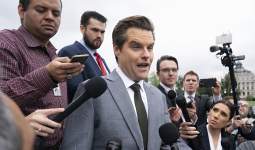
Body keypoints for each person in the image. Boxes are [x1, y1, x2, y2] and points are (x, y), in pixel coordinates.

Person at [61, 15, 191, 150]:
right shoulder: (91, 92)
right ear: (117, 49)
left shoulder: (158, 96)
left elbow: (167, 144)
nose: (146, 55)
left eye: (150, 47)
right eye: (136, 47)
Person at [0, 0, 84, 149]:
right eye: (41, 10)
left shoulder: (54, 53)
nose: (50, 17)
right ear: (21, 10)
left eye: (56, 13)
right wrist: (48, 75)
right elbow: (3, 96)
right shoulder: (6, 43)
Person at [58, 11, 110, 102]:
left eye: (102, 32)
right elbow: (76, 93)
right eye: (95, 30)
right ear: (82, 29)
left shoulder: (100, 59)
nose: (99, 35)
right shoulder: (70, 52)